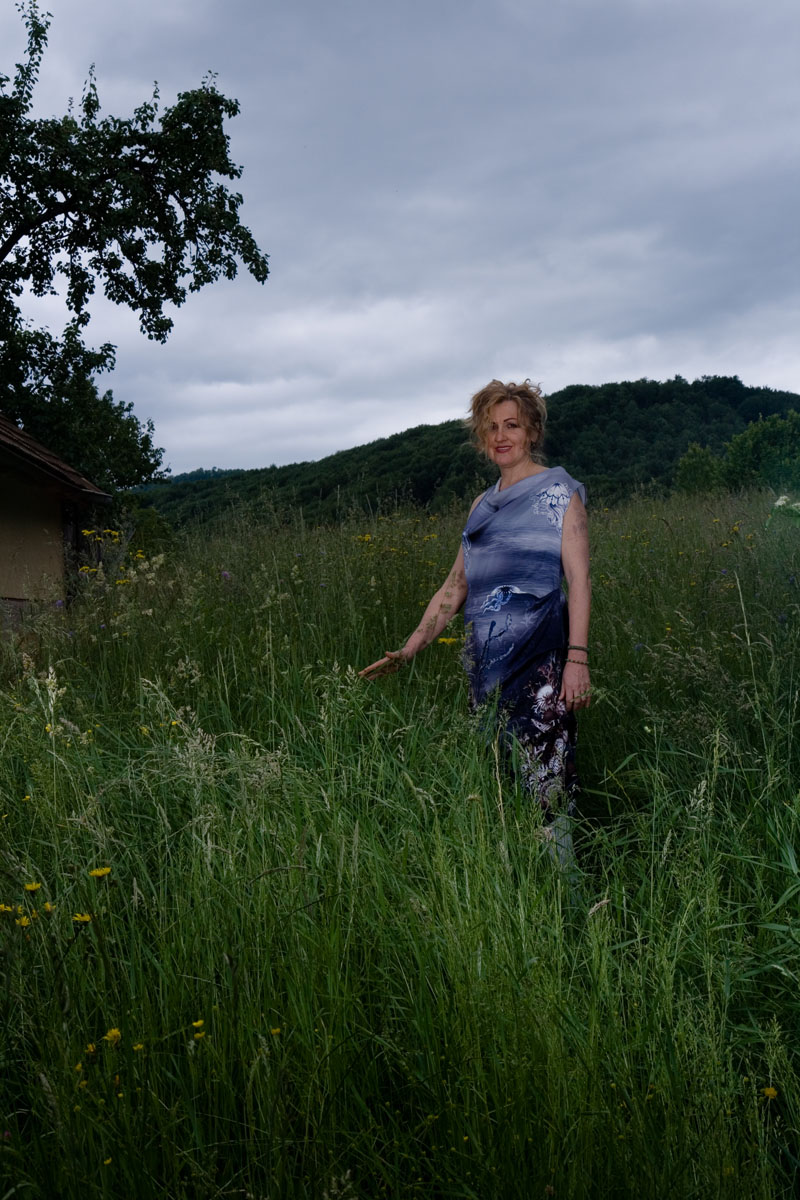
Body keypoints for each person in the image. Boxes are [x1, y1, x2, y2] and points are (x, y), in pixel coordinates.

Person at [360, 379, 591, 854]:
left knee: (547, 795)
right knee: (499, 792)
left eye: (512, 425)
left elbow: (580, 580)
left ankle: (564, 893)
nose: (501, 436)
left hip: (542, 668)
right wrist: (410, 647)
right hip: (486, 674)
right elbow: (455, 586)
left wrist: (577, 659)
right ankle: (514, 888)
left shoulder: (559, 493)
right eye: (491, 428)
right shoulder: (480, 506)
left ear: (532, 432)